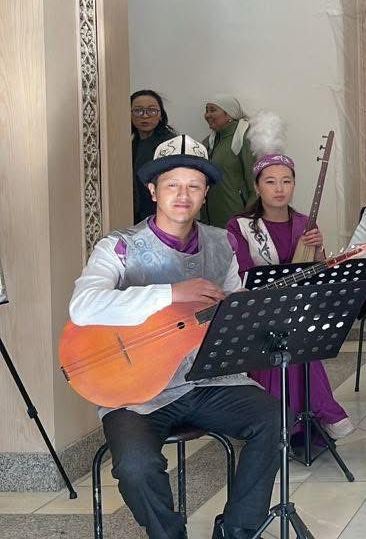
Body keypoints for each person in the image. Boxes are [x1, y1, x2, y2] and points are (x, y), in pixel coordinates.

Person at [68, 135, 278, 539]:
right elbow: (83, 305)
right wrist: (170, 293)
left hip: (206, 381)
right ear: (153, 191)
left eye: (194, 186)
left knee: (272, 417)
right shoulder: (119, 247)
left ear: (205, 194)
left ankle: (237, 530)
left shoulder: (221, 243)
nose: (183, 195)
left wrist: (244, 314)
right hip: (136, 392)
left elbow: (230, 308)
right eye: (172, 185)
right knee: (135, 466)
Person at [226, 150, 354, 440]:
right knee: (282, 337)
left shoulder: (305, 224)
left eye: (286, 181)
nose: (279, 188)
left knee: (297, 334)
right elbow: (241, 274)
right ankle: (289, 418)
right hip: (257, 310)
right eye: (270, 181)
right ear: (257, 186)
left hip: (298, 308)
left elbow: (318, 274)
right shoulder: (240, 225)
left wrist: (318, 250)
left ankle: (300, 419)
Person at [201, 96, 257, 228]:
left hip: (236, 221)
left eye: (212, 110)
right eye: (206, 110)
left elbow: (255, 185)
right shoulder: (208, 143)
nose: (207, 115)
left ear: (229, 114)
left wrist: (248, 219)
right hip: (208, 222)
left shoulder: (244, 139)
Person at [130, 89, 177, 224]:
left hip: (162, 215)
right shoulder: (130, 142)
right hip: (135, 214)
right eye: (138, 111)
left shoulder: (171, 144)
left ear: (161, 115)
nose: (145, 116)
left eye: (151, 111)